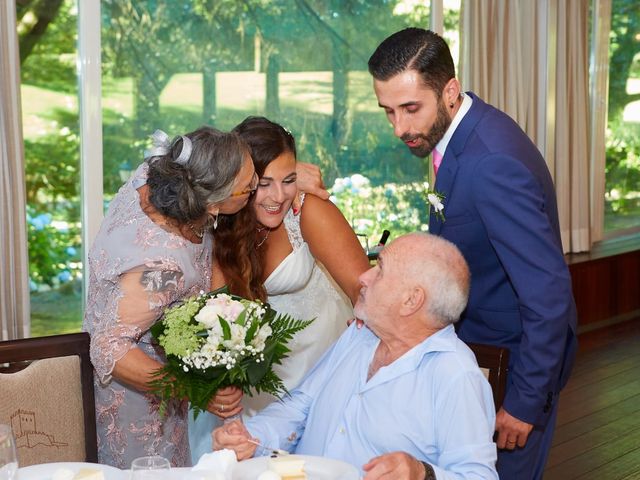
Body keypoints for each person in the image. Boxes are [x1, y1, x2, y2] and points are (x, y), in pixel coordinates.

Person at [367, 28, 578, 479]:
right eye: (388, 111)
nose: (399, 128)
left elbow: (547, 294)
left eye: (410, 109)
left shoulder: (491, 163)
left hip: (515, 366)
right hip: (478, 351)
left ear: (449, 90)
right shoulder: (456, 133)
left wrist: (524, 403)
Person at [213, 233, 498, 480]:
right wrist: (250, 437)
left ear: (411, 300)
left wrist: (423, 473)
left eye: (380, 269)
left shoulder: (454, 374)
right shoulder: (360, 335)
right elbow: (302, 405)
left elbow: (478, 475)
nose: (364, 276)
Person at [188, 116, 370, 462]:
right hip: (256, 393)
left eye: (288, 180)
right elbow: (211, 321)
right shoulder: (220, 226)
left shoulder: (308, 212)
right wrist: (211, 385)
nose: (279, 197)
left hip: (319, 376)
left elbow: (368, 292)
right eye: (265, 184)